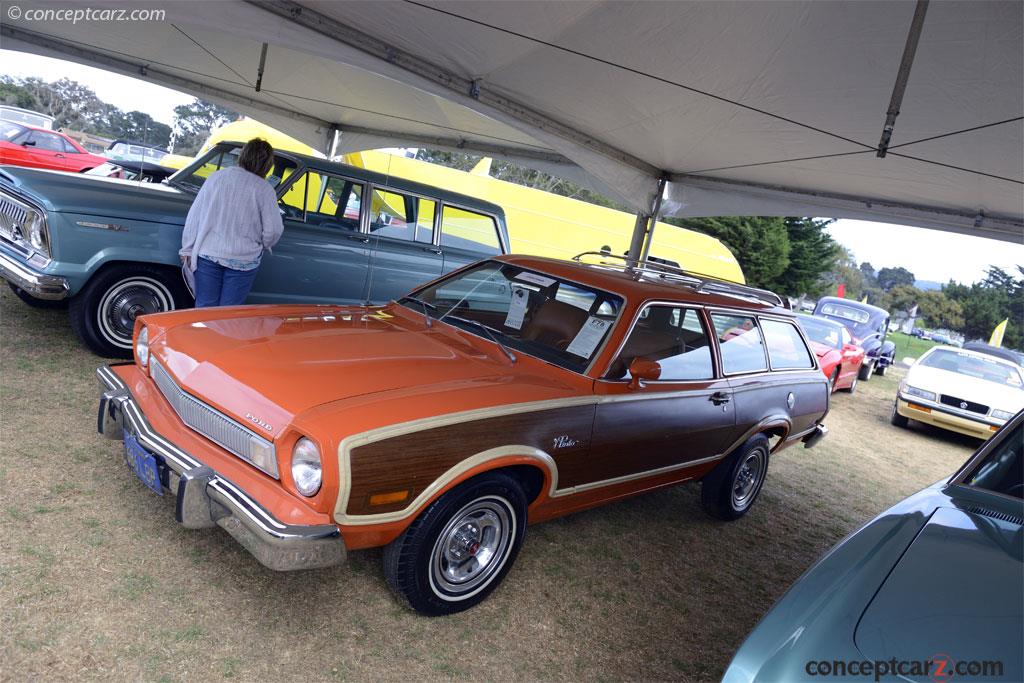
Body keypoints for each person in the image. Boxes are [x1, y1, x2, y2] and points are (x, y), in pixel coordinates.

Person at [179, 138, 284, 307]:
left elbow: (195, 217)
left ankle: (202, 334)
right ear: (267, 164)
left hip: (209, 253)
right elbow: (274, 231)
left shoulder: (217, 178)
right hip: (243, 259)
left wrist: (187, 248)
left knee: (204, 308)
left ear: (242, 156)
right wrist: (263, 244)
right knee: (229, 314)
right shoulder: (265, 190)